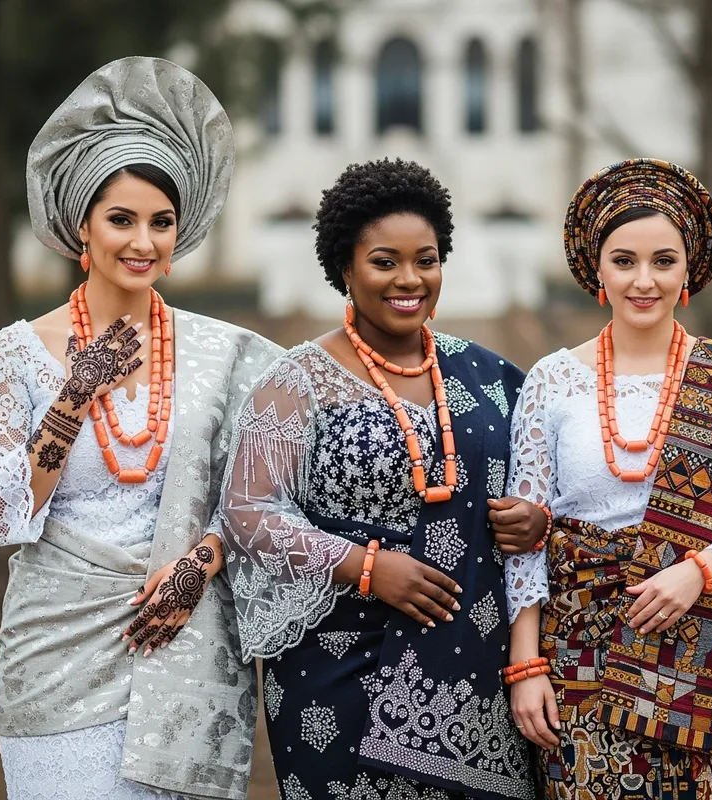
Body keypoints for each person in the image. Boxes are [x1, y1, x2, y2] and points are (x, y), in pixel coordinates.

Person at [0, 57, 281, 799]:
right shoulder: (19, 352)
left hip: (183, 652)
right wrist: (76, 391)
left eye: (161, 221)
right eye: (121, 218)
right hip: (56, 659)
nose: (142, 240)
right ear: (81, 223)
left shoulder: (226, 354)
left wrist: (200, 564)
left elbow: (273, 488)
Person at [220, 158, 545, 800]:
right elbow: (247, 512)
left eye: (426, 259)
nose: (409, 279)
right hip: (342, 675)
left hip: (478, 678)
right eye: (384, 261)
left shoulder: (493, 376)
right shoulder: (295, 383)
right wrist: (363, 566)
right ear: (345, 267)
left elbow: (541, 483)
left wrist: (536, 519)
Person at [502, 158, 712, 799]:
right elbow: (523, 535)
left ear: (690, 270)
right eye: (624, 260)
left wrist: (702, 568)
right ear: (596, 268)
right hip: (579, 658)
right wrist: (525, 664)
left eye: (663, 261)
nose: (644, 281)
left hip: (708, 656)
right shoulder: (553, 381)